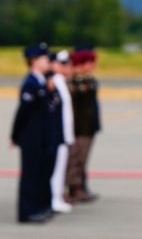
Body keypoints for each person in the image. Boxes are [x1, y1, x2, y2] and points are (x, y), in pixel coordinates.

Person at [10, 43, 58, 223]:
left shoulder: (41, 82)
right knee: (30, 176)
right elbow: (23, 113)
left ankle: (39, 207)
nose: (48, 62)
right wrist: (15, 136)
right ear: (33, 61)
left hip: (42, 137)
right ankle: (27, 212)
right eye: (44, 58)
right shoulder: (30, 83)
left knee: (40, 174)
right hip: (31, 138)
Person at [66, 48, 101, 203]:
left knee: (82, 159)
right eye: (89, 62)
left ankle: (80, 186)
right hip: (78, 127)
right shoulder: (74, 81)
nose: (92, 65)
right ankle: (74, 188)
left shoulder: (88, 79)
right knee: (75, 159)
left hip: (88, 126)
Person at [48, 50, 75, 213]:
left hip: (64, 133)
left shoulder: (61, 81)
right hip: (58, 134)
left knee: (60, 168)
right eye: (62, 64)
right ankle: (54, 198)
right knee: (55, 169)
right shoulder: (55, 81)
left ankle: (57, 197)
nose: (67, 67)